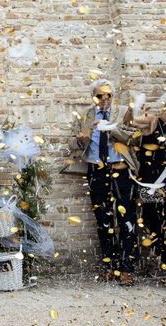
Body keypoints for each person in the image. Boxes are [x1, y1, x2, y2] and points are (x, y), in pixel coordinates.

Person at [69, 79, 138, 286]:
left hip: (120, 170)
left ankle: (126, 269)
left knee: (126, 219)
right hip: (96, 171)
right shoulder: (86, 116)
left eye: (108, 95)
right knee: (103, 220)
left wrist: (111, 129)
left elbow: (133, 138)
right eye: (100, 95)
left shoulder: (124, 111)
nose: (104, 99)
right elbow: (71, 142)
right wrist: (81, 139)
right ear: (94, 96)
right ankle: (110, 266)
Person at [129, 99, 166, 272]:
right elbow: (131, 121)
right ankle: (159, 255)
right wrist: (135, 109)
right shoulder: (153, 121)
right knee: (153, 219)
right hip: (151, 181)